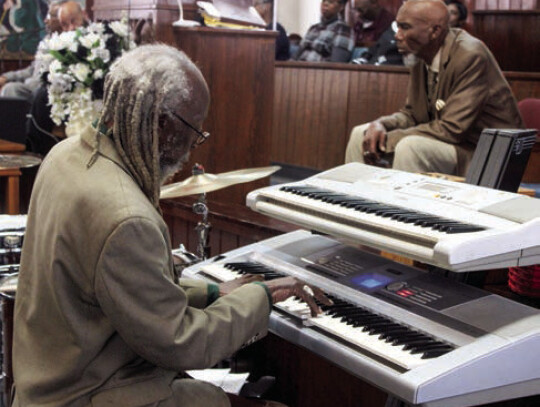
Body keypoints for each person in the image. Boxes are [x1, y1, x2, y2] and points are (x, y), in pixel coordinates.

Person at [12, 44, 329, 407]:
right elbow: (183, 343)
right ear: (162, 122)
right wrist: (263, 296)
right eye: (196, 129)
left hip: (46, 383)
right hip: (88, 394)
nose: (194, 145)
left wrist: (211, 293)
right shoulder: (126, 217)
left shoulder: (63, 155)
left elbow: (118, 291)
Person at [345, 0, 523, 176]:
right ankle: (354, 201)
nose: (397, 36)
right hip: (452, 144)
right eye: (397, 27)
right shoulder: (419, 53)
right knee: (362, 133)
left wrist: (387, 140)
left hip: (485, 154)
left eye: (405, 27)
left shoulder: (470, 55)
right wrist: (380, 124)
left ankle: (400, 205)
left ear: (435, 31)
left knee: (411, 147)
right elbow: (412, 115)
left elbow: (452, 129)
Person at [0, 0, 65, 101]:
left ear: (62, 19)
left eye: (51, 16)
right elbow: (31, 70)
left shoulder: (66, 45)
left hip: (43, 92)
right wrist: (6, 77)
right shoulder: (47, 40)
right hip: (30, 87)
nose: (46, 20)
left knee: (11, 89)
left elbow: (18, 21)